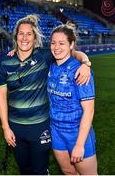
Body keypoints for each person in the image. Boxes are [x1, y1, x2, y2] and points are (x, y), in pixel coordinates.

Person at [0, 14, 91, 175]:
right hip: (15, 127)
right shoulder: (4, 62)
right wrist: (6, 127)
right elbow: (1, 97)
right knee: (24, 170)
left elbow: (72, 52)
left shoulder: (44, 56)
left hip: (40, 126)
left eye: (29, 34)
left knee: (40, 170)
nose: (24, 37)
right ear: (15, 36)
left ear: (35, 38)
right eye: (21, 33)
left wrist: (86, 62)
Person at [47, 24, 98, 175]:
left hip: (77, 132)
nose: (56, 47)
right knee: (68, 172)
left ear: (71, 45)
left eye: (62, 43)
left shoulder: (81, 71)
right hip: (56, 131)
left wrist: (80, 144)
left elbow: (89, 110)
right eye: (53, 43)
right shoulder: (51, 67)